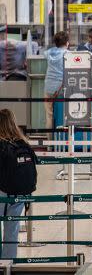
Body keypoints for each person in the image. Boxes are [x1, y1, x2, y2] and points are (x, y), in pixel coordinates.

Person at [0, 109, 35, 260]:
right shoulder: (23, 143)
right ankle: (9, 264)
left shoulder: (1, 144)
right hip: (21, 193)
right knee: (12, 230)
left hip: (3, 192)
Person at [42, 31, 69, 130]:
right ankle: (60, 141)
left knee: (49, 115)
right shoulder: (67, 54)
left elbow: (43, 54)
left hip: (48, 87)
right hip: (61, 89)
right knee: (62, 114)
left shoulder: (49, 52)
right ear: (67, 43)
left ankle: (49, 143)